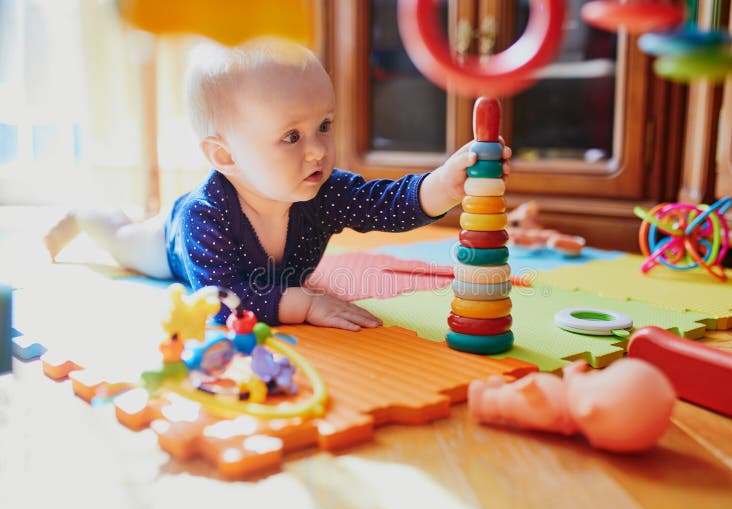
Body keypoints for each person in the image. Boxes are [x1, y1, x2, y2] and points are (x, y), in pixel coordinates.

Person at [45, 38, 511, 331]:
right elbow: (219, 302)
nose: (317, 151)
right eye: (291, 136)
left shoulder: (322, 188)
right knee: (124, 238)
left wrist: (445, 186)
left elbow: (382, 204)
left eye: (324, 126)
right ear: (225, 156)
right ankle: (85, 213)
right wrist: (303, 304)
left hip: (259, 263)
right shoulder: (203, 217)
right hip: (169, 245)